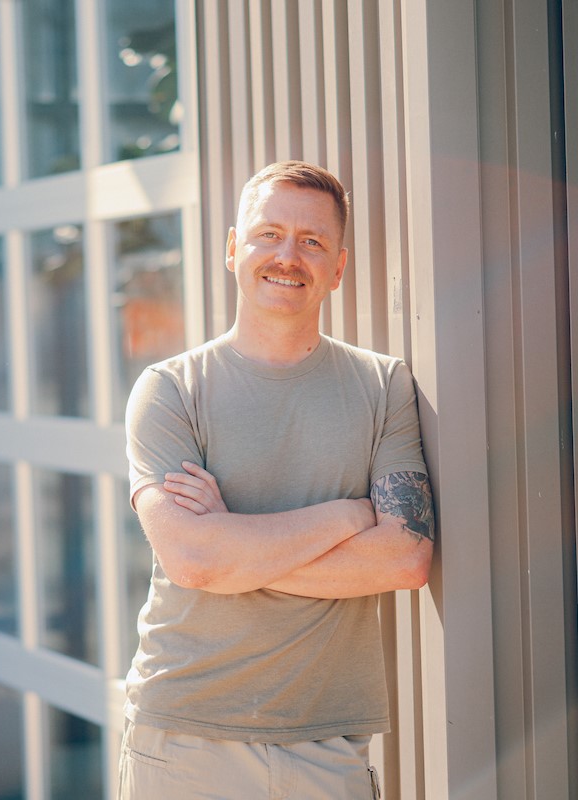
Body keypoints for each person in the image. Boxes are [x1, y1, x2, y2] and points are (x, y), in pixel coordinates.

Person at [119, 161, 434, 800]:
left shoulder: (383, 386)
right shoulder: (172, 390)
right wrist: (348, 517)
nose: (288, 255)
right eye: (269, 234)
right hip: (185, 739)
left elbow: (404, 558)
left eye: (312, 241)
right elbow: (193, 559)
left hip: (330, 746)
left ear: (338, 268)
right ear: (235, 249)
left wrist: (235, 546)